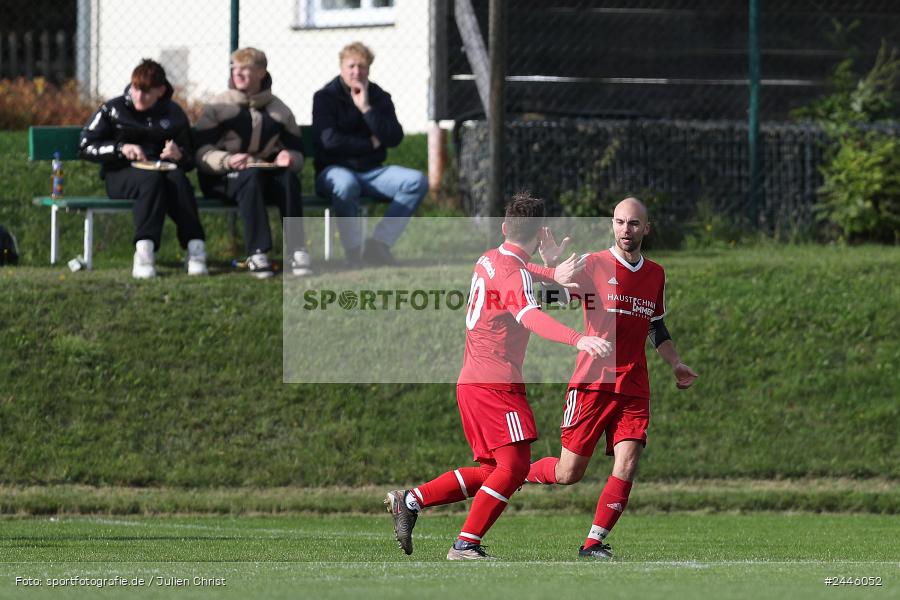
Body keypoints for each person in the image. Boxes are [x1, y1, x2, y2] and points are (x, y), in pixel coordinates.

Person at [385, 193, 612, 560]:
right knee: (516, 466)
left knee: (495, 470)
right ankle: (465, 543)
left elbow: (524, 281)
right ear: (540, 235)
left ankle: (411, 501)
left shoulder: (489, 259)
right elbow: (529, 314)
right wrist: (578, 338)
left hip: (472, 381)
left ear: (505, 227)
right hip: (494, 384)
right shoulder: (515, 274)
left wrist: (553, 272)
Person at [524, 197, 699, 559]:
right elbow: (551, 299)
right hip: (592, 381)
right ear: (612, 225)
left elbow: (655, 325)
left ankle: (593, 543)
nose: (626, 229)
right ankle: (513, 474)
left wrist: (676, 363)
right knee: (568, 472)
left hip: (634, 385)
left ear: (645, 229)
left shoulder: (656, 274)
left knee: (629, 461)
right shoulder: (593, 264)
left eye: (633, 223)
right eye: (620, 222)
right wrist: (552, 265)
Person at [80, 59, 206, 279]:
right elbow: (86, 146)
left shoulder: (174, 113)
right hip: (120, 174)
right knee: (151, 181)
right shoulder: (113, 109)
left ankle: (195, 248)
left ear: (160, 91)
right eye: (136, 89)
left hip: (162, 171)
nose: (139, 96)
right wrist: (119, 148)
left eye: (147, 92)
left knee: (178, 179)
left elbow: (189, 159)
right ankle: (144, 251)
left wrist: (179, 154)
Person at [195, 47, 311, 279]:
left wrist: (289, 158)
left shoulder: (280, 109)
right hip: (222, 178)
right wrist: (227, 160)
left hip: (263, 176)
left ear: (261, 73)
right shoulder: (218, 106)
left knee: (287, 178)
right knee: (250, 176)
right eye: (234, 68)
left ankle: (297, 250)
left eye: (245, 69)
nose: (237, 74)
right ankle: (257, 252)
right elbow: (201, 152)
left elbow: (297, 151)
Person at [312, 41, 428, 265]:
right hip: (334, 171)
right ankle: (354, 252)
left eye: (362, 66)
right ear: (341, 67)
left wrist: (366, 108)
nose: (357, 71)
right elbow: (329, 141)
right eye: (351, 66)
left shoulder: (379, 97)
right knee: (346, 185)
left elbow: (394, 137)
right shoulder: (325, 97)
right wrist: (370, 144)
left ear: (369, 68)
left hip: (372, 172)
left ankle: (379, 244)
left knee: (416, 181)